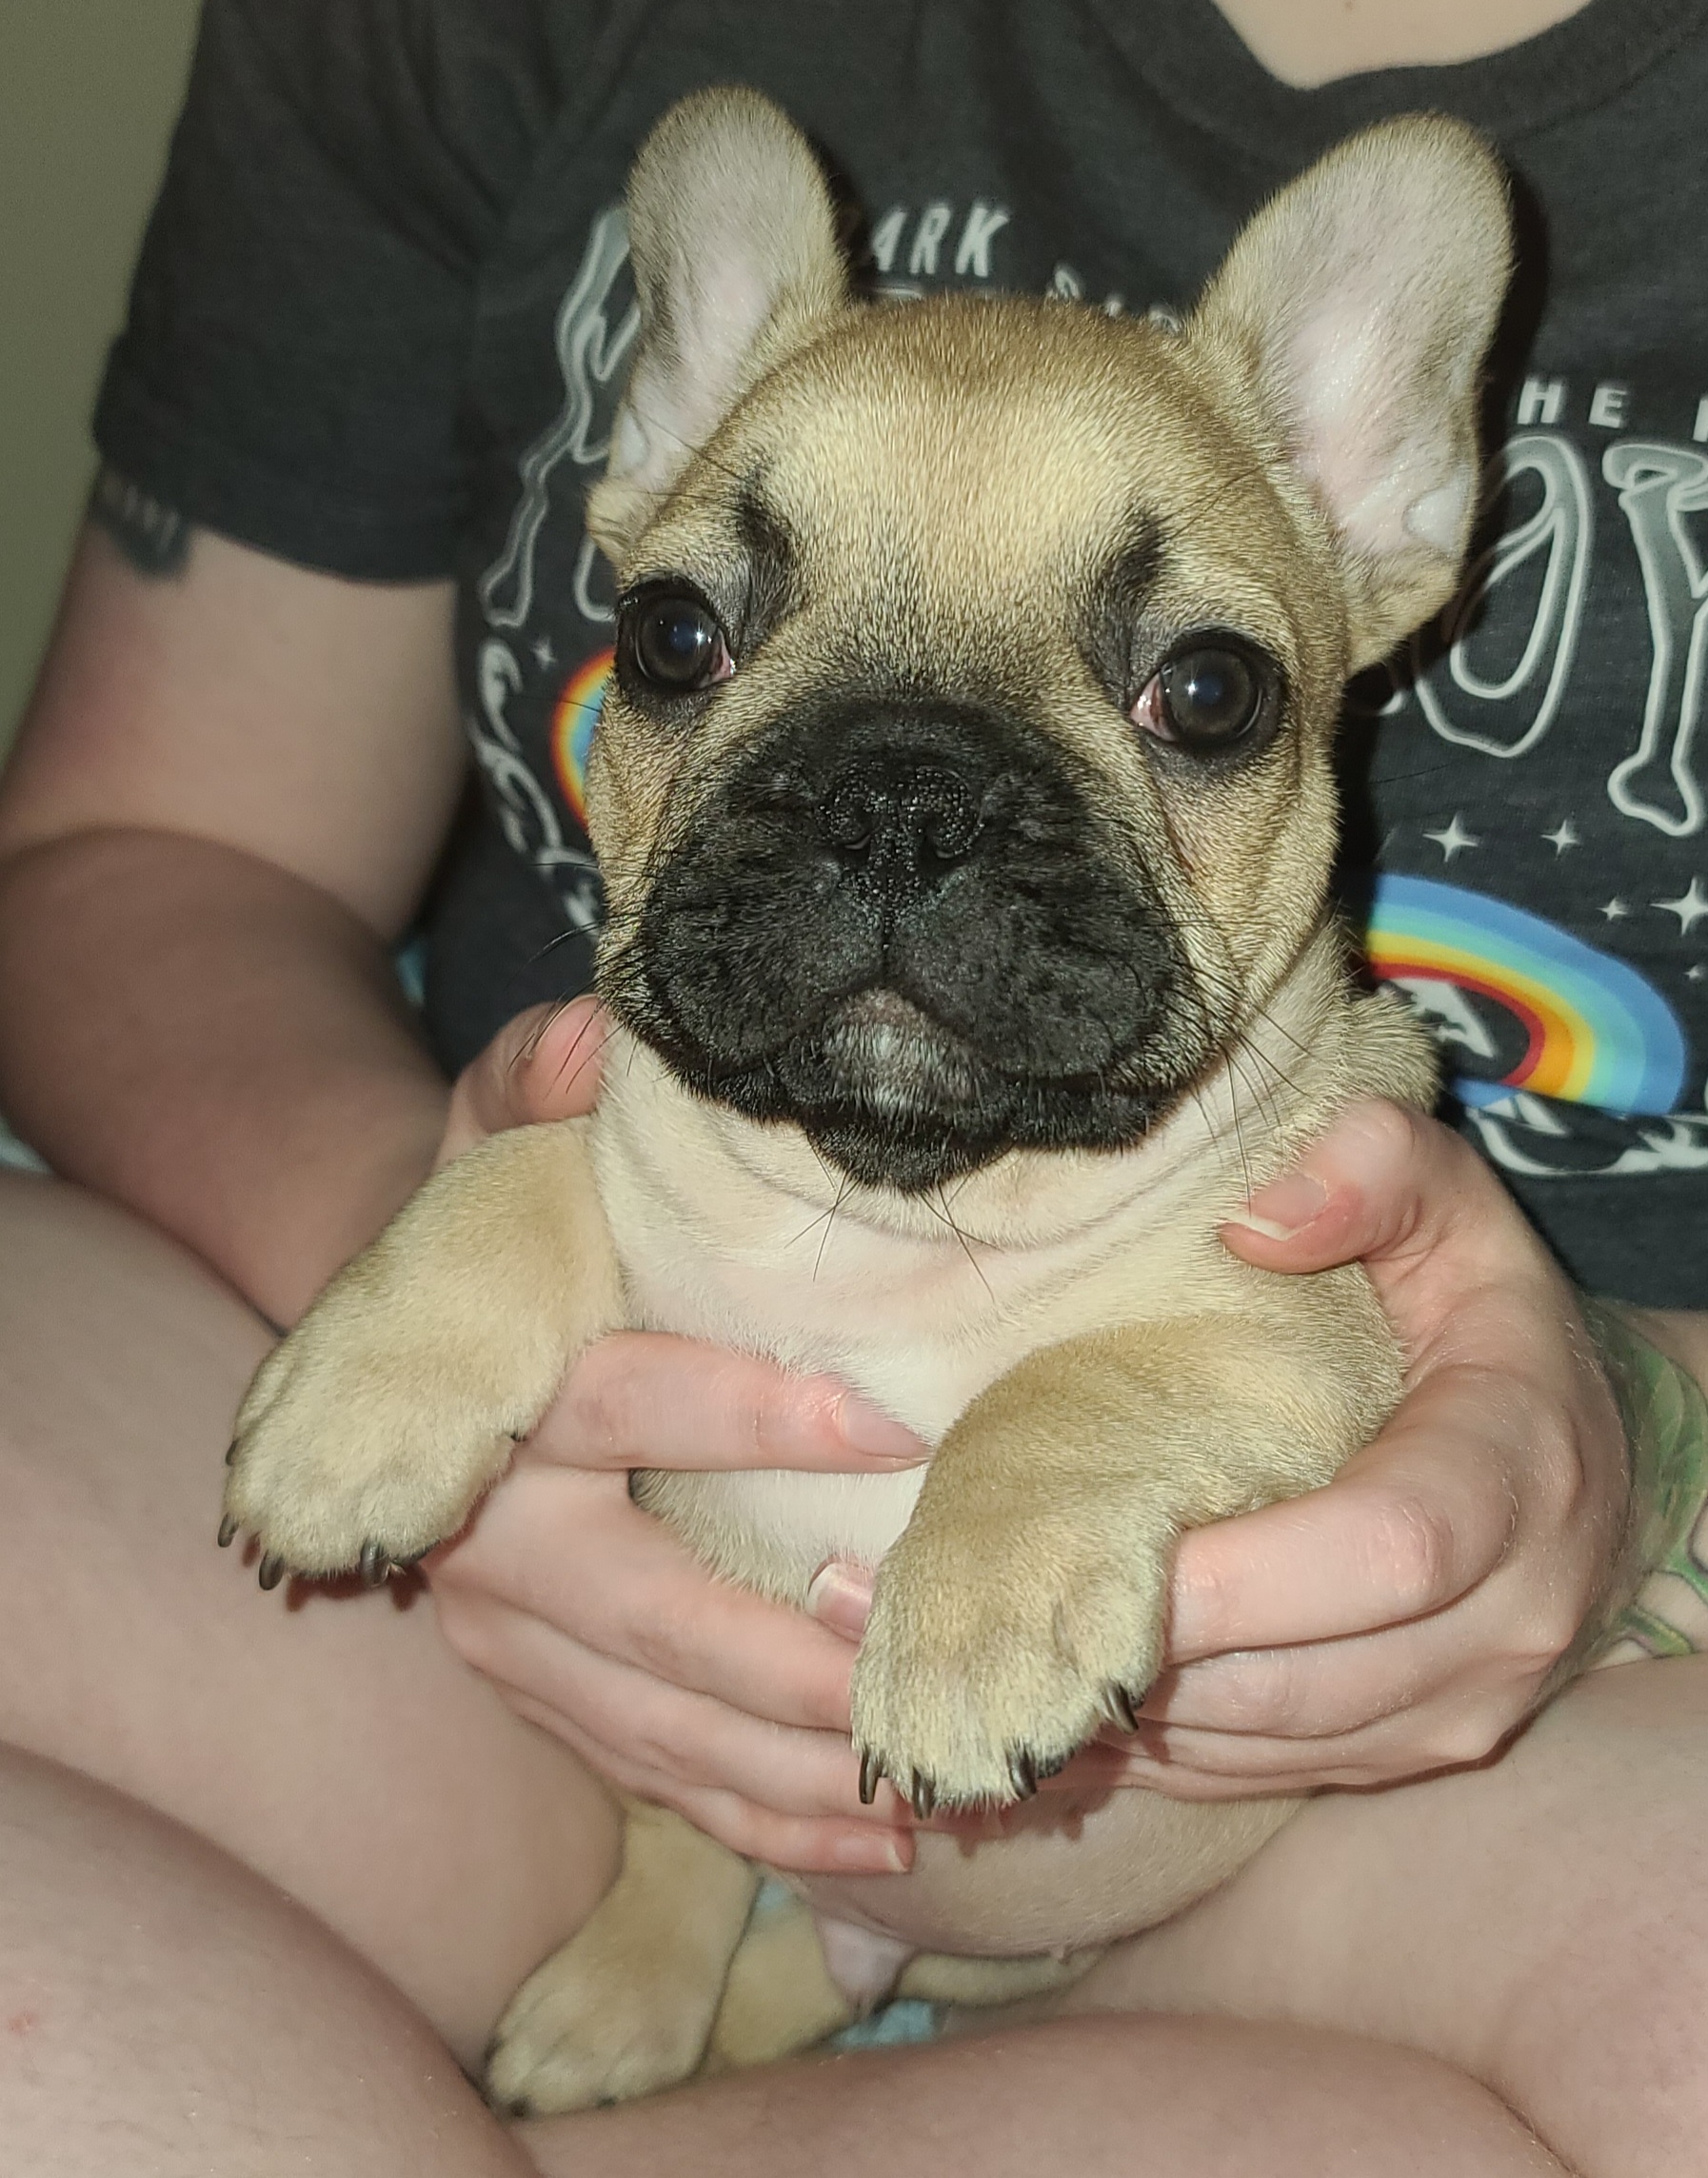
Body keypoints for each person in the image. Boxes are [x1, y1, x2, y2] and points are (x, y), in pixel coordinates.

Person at [1, 0, 1705, 2169]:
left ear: (1377, 509)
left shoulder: (1295, 1146)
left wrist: (1634, 1432)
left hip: (1403, 1822)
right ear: (649, 443)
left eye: (1189, 693)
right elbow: (159, 850)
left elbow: (1275, 1348)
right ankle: (683, 1911)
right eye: (696, 646)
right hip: (527, 1713)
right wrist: (433, 1230)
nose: (905, 825)